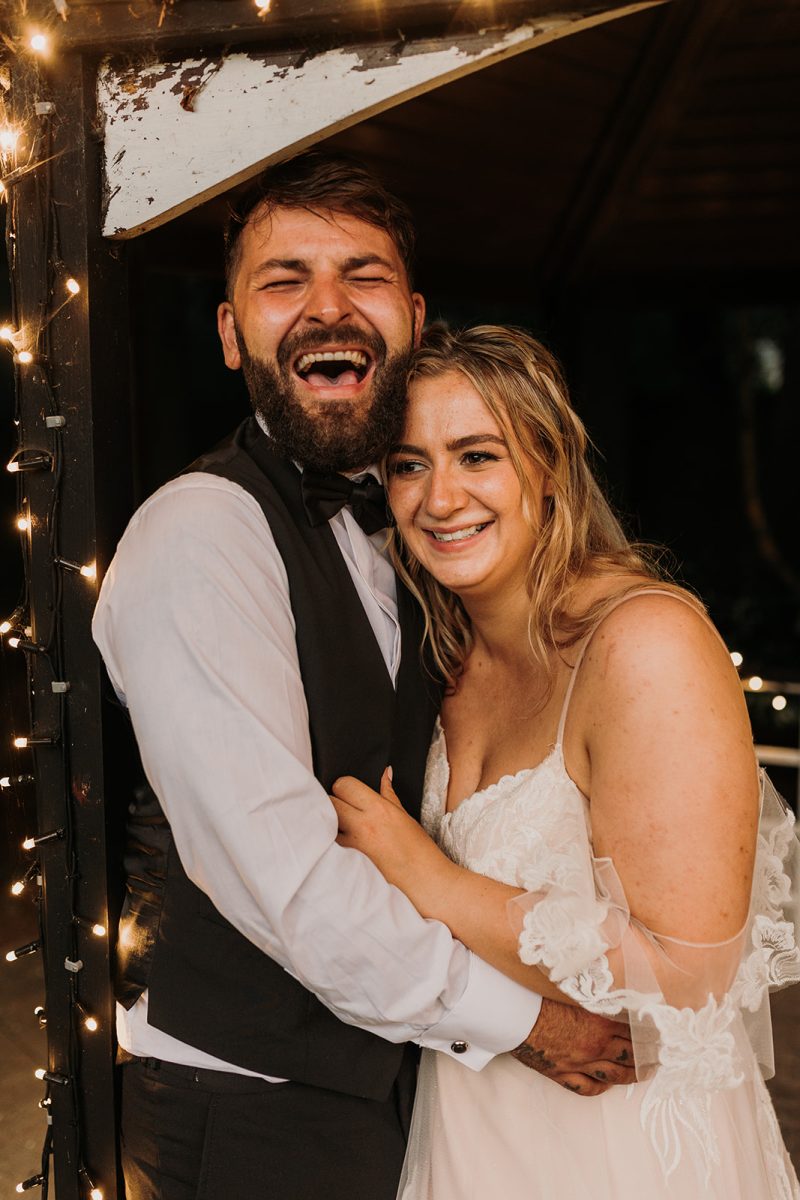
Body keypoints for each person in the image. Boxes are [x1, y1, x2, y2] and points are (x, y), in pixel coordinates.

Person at [92, 156, 634, 1200]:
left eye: (362, 275)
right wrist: (526, 1024)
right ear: (228, 331)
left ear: (415, 319)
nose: (325, 307)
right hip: (249, 1104)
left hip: (406, 1087)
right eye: (283, 278)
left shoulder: (417, 533)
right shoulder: (200, 535)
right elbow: (284, 881)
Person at [331, 323, 800, 1199]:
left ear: (548, 467)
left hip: (624, 1147)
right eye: (407, 464)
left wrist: (429, 880)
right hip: (473, 1127)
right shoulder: (440, 659)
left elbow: (692, 971)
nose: (440, 498)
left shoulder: (644, 644)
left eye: (477, 455)